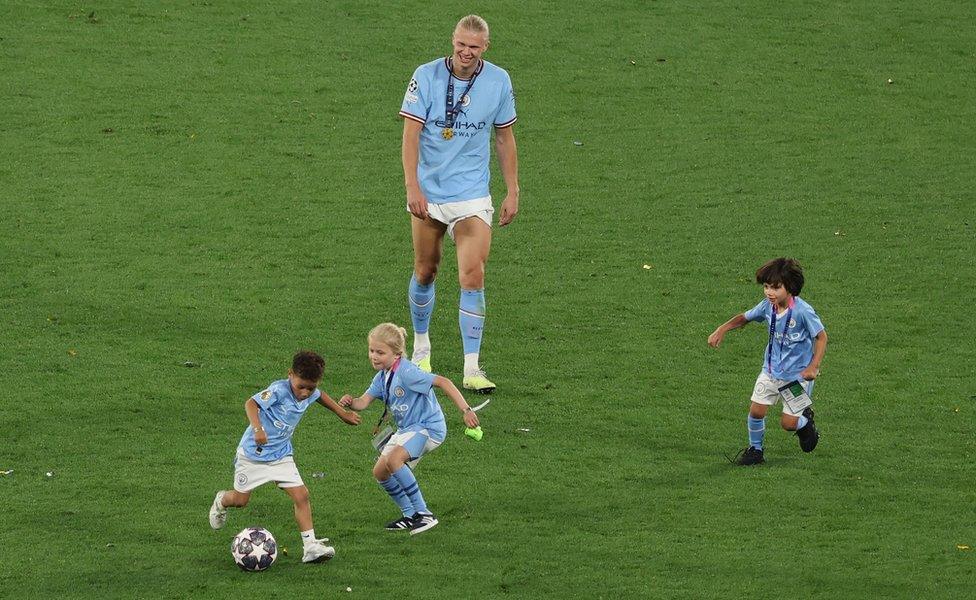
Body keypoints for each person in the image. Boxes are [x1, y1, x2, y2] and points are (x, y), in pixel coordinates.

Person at [398, 14, 520, 393]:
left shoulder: (498, 81)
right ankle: (421, 348)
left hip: (472, 196)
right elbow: (411, 135)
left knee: (473, 274)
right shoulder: (426, 75)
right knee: (426, 271)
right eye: (460, 45)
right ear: (452, 42)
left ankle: (471, 367)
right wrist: (412, 187)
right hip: (430, 196)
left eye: (473, 47)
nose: (465, 53)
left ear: (486, 48)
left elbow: (504, 138)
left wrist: (513, 190)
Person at [208, 350, 362, 562]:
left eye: (311, 387)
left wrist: (342, 414)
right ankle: (221, 501)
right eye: (301, 386)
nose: (306, 392)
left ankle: (310, 547)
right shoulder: (278, 390)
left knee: (302, 496)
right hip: (254, 455)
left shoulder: (310, 391)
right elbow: (250, 404)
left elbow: (321, 397)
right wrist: (257, 429)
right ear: (290, 374)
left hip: (281, 455)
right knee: (240, 500)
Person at [339, 323, 480, 535]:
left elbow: (443, 382)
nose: (374, 356)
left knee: (394, 460)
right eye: (371, 351)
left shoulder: (407, 372)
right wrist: (351, 402)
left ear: (396, 353)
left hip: (428, 427)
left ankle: (424, 514)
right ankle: (409, 515)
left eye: (380, 352)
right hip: (407, 429)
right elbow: (363, 402)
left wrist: (466, 410)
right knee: (380, 472)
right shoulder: (382, 376)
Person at [707, 258, 828, 465]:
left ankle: (805, 422)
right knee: (756, 411)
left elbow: (821, 337)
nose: (769, 292)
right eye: (766, 287)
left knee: (788, 424)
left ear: (790, 287)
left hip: (797, 378)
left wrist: (813, 366)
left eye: (776, 287)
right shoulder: (767, 307)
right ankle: (756, 451)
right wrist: (722, 329)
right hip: (770, 372)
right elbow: (744, 317)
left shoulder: (803, 311)